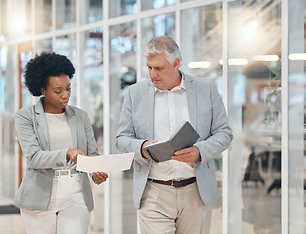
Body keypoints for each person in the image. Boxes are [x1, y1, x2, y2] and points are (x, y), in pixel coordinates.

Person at [116, 36, 233, 233]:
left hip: (195, 191)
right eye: (149, 67)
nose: (152, 75)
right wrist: (143, 147)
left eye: (159, 68)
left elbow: (224, 133)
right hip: (153, 193)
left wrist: (199, 151)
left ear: (176, 63)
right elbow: (121, 138)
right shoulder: (135, 93)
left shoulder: (205, 89)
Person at [14, 52, 109, 234]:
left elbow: (92, 154)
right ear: (43, 90)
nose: (65, 95)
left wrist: (97, 170)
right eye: (58, 91)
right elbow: (34, 157)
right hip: (39, 196)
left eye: (68, 88)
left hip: (75, 193)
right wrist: (67, 152)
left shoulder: (80, 116)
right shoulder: (25, 117)